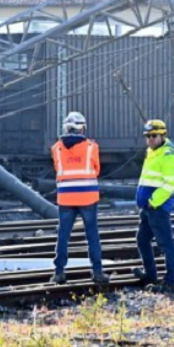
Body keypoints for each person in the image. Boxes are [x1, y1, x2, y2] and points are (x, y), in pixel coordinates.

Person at [50, 112, 108, 285]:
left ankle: (59, 273)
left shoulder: (56, 148)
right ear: (82, 128)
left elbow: (57, 169)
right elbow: (96, 170)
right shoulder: (92, 147)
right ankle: (97, 272)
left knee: (63, 236)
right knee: (92, 235)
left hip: (66, 198)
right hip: (88, 197)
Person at [133, 119, 174, 294]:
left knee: (165, 243)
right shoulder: (152, 151)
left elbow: (170, 184)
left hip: (157, 207)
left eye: (154, 136)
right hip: (148, 207)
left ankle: (170, 282)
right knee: (142, 239)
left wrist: (153, 202)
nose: (150, 139)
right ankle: (151, 275)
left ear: (163, 135)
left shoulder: (168, 155)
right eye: (147, 136)